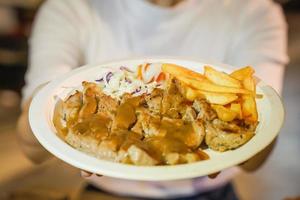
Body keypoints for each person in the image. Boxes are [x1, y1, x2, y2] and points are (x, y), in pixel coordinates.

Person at [17, 0, 288, 199]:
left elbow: (257, 156)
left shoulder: (256, 12)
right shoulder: (69, 8)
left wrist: (227, 152)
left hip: (213, 192)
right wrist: (47, 105)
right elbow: (30, 149)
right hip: (106, 192)